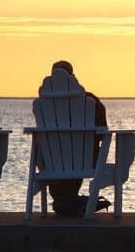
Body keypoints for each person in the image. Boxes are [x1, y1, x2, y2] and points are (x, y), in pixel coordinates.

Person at [45, 60, 111, 217]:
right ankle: (68, 201)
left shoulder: (45, 105)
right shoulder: (92, 102)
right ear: (73, 77)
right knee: (79, 151)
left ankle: (65, 200)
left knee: (61, 151)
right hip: (85, 159)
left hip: (52, 161)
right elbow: (103, 133)